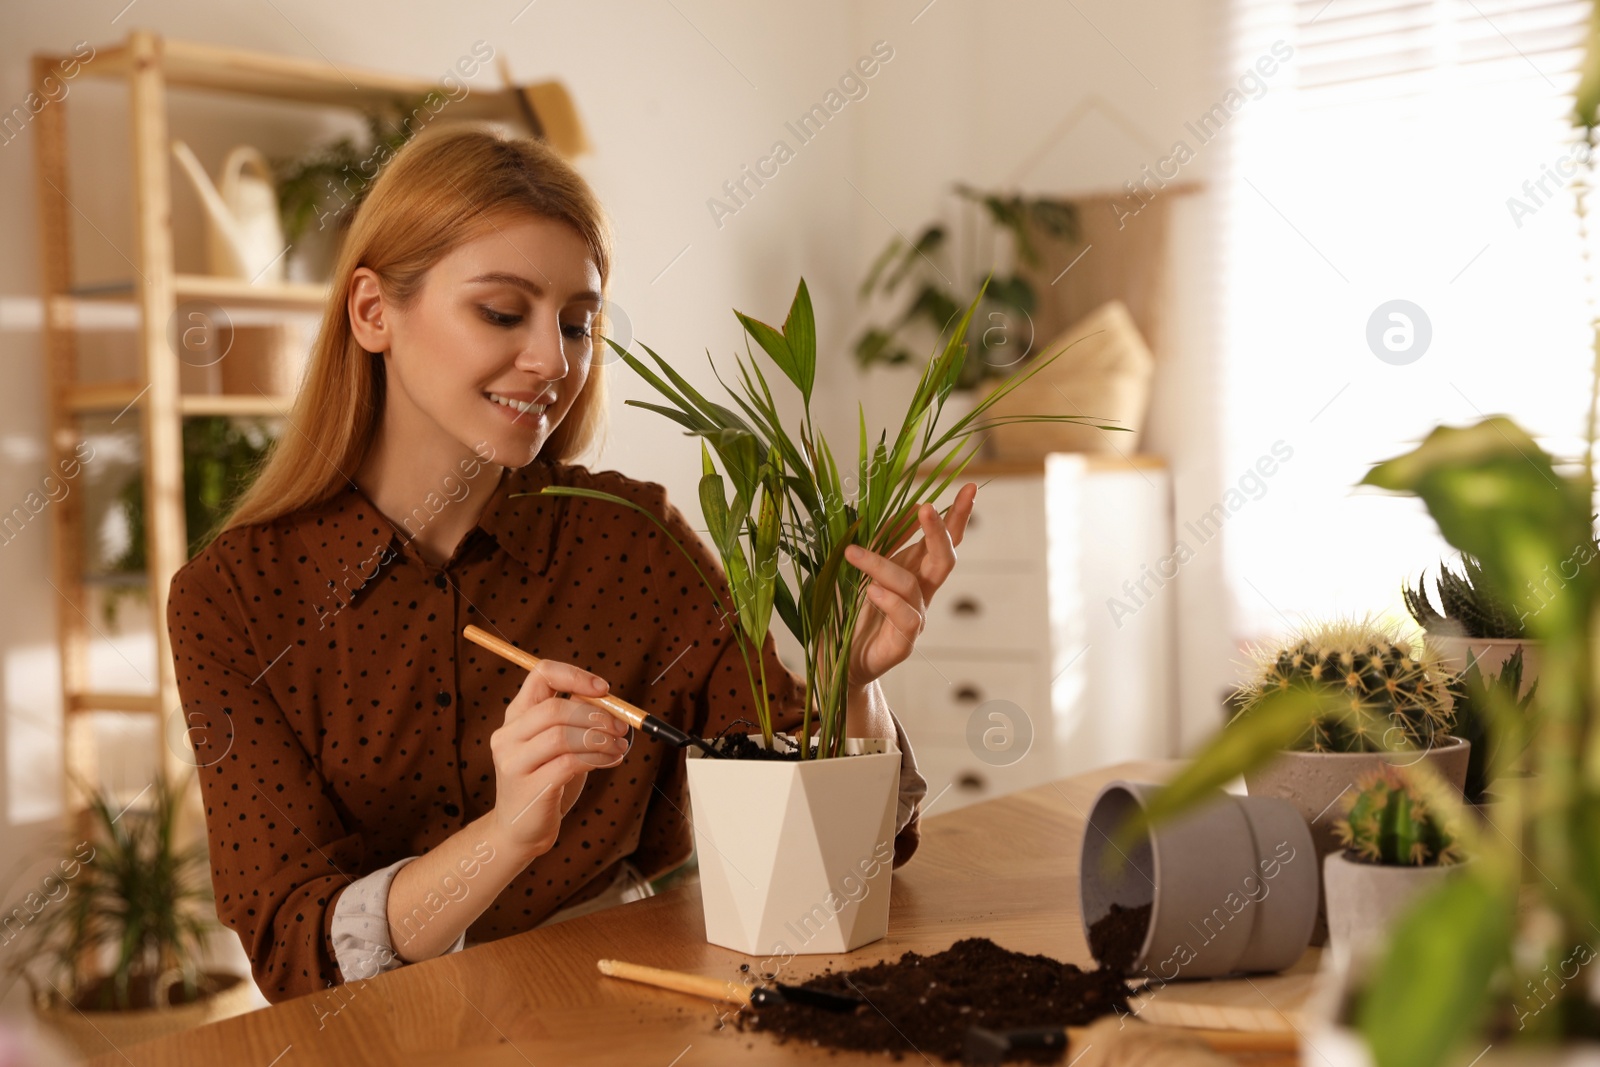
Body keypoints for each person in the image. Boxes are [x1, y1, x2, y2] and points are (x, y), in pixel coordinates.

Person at [165, 125, 978, 1004]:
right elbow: (295, 951)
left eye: (578, 323)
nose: (554, 362)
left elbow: (847, 863)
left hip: (623, 1006)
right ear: (372, 313)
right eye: (502, 312)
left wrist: (844, 678)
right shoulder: (233, 598)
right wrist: (507, 835)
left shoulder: (633, 537)